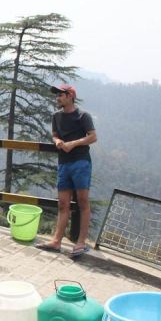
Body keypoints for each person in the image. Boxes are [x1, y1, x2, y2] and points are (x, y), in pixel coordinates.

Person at [36, 84, 97, 257]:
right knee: (62, 204)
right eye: (57, 95)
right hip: (63, 163)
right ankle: (56, 241)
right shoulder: (56, 116)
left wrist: (73, 143)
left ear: (70, 96)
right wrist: (56, 141)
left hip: (81, 163)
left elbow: (93, 137)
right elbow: (55, 134)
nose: (57, 98)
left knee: (83, 202)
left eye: (60, 95)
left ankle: (80, 242)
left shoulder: (83, 116)